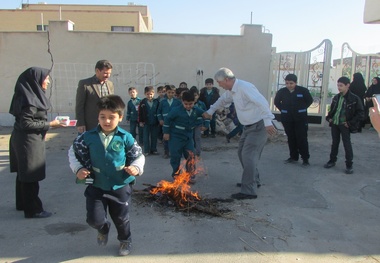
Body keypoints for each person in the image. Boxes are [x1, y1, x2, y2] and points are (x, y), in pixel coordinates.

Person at [68, 95, 145, 256]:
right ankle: (103, 228)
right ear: (98, 117)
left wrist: (136, 167)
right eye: (103, 117)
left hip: (120, 185)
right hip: (97, 185)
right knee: (93, 219)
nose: (107, 121)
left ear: (120, 118)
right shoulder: (87, 137)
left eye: (112, 117)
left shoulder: (126, 137)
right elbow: (73, 153)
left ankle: (125, 240)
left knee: (121, 218)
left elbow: (139, 155)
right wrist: (78, 169)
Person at [203, 68, 276, 200]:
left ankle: (249, 190)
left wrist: (268, 121)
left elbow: (262, 102)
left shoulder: (244, 87)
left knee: (248, 156)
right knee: (242, 153)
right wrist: (210, 111)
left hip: (258, 126)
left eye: (219, 82)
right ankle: (253, 180)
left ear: (227, 80)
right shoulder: (231, 91)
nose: (219, 85)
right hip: (247, 127)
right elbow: (222, 101)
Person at [9, 67, 66, 218]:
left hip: (23, 139)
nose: (48, 81)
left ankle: (22, 203)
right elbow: (26, 124)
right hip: (28, 142)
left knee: (24, 173)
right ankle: (33, 209)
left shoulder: (27, 95)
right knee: (30, 175)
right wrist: (51, 125)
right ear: (35, 80)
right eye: (45, 78)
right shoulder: (29, 100)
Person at [163, 91, 209, 180]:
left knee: (190, 155)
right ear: (182, 102)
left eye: (190, 104)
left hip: (188, 137)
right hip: (176, 137)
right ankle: (176, 174)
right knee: (175, 156)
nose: (188, 106)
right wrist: (166, 133)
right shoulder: (176, 110)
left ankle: (190, 175)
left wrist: (206, 125)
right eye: (186, 104)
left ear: (194, 102)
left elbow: (206, 115)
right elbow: (167, 120)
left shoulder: (196, 110)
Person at [324, 77, 364, 174]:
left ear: (347, 85)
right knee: (335, 143)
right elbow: (332, 110)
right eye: (338, 85)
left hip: (345, 125)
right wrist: (329, 118)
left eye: (341, 85)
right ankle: (332, 160)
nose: (339, 87)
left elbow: (361, 113)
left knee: (347, 144)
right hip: (335, 124)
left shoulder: (354, 99)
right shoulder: (336, 97)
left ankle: (349, 165)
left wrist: (350, 123)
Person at [274, 74, 313, 166]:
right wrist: (284, 110)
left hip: (300, 119)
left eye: (291, 83)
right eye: (287, 83)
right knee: (291, 138)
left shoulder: (303, 91)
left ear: (295, 83)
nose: (289, 85)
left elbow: (309, 101)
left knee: (302, 138)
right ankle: (293, 157)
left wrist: (301, 109)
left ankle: (305, 158)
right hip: (287, 119)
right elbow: (276, 102)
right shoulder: (282, 92)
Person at [75, 60, 114, 133]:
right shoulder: (85, 84)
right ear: (97, 71)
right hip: (90, 125)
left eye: (109, 73)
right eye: (105, 73)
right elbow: (79, 105)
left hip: (106, 124)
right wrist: (80, 123)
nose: (108, 76)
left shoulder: (110, 84)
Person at [157, 85, 181, 158]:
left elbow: (181, 111)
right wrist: (160, 119)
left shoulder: (177, 102)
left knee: (175, 137)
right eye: (169, 92)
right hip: (165, 123)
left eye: (172, 92)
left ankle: (174, 152)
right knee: (166, 137)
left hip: (175, 123)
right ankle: (166, 152)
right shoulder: (162, 101)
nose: (170, 94)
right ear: (166, 92)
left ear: (174, 93)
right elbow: (159, 111)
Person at [138, 86, 160, 156]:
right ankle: (146, 150)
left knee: (154, 136)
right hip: (146, 122)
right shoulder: (143, 102)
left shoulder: (157, 102)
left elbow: (159, 111)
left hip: (154, 122)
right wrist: (141, 121)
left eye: (151, 94)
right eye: (148, 94)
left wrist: (159, 120)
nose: (149, 96)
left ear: (154, 94)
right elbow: (140, 112)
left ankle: (153, 149)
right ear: (145, 94)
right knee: (146, 137)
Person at [190, 86, 207, 156]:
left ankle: (197, 152)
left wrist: (206, 125)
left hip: (198, 124)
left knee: (197, 138)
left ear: (198, 95)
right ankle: (190, 152)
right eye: (192, 96)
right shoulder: (188, 104)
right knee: (190, 138)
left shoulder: (201, 104)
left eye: (195, 95)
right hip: (190, 124)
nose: (194, 97)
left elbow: (206, 114)